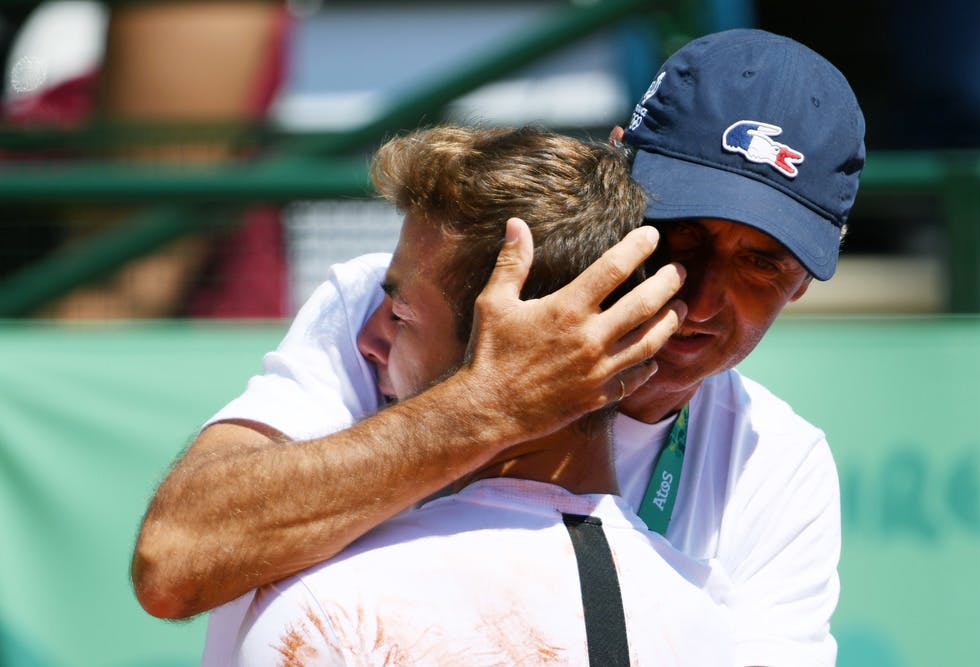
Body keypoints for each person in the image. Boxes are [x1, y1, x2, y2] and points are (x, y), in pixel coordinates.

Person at [133, 28, 866, 667]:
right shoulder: (396, 307)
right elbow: (174, 559)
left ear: (805, 278)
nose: (703, 298)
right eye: (682, 235)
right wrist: (486, 405)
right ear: (616, 179)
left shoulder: (777, 460)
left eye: (763, 262)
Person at [219, 124, 732, 666]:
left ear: (512, 354)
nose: (368, 339)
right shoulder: (707, 627)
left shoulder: (327, 615)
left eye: (400, 314)